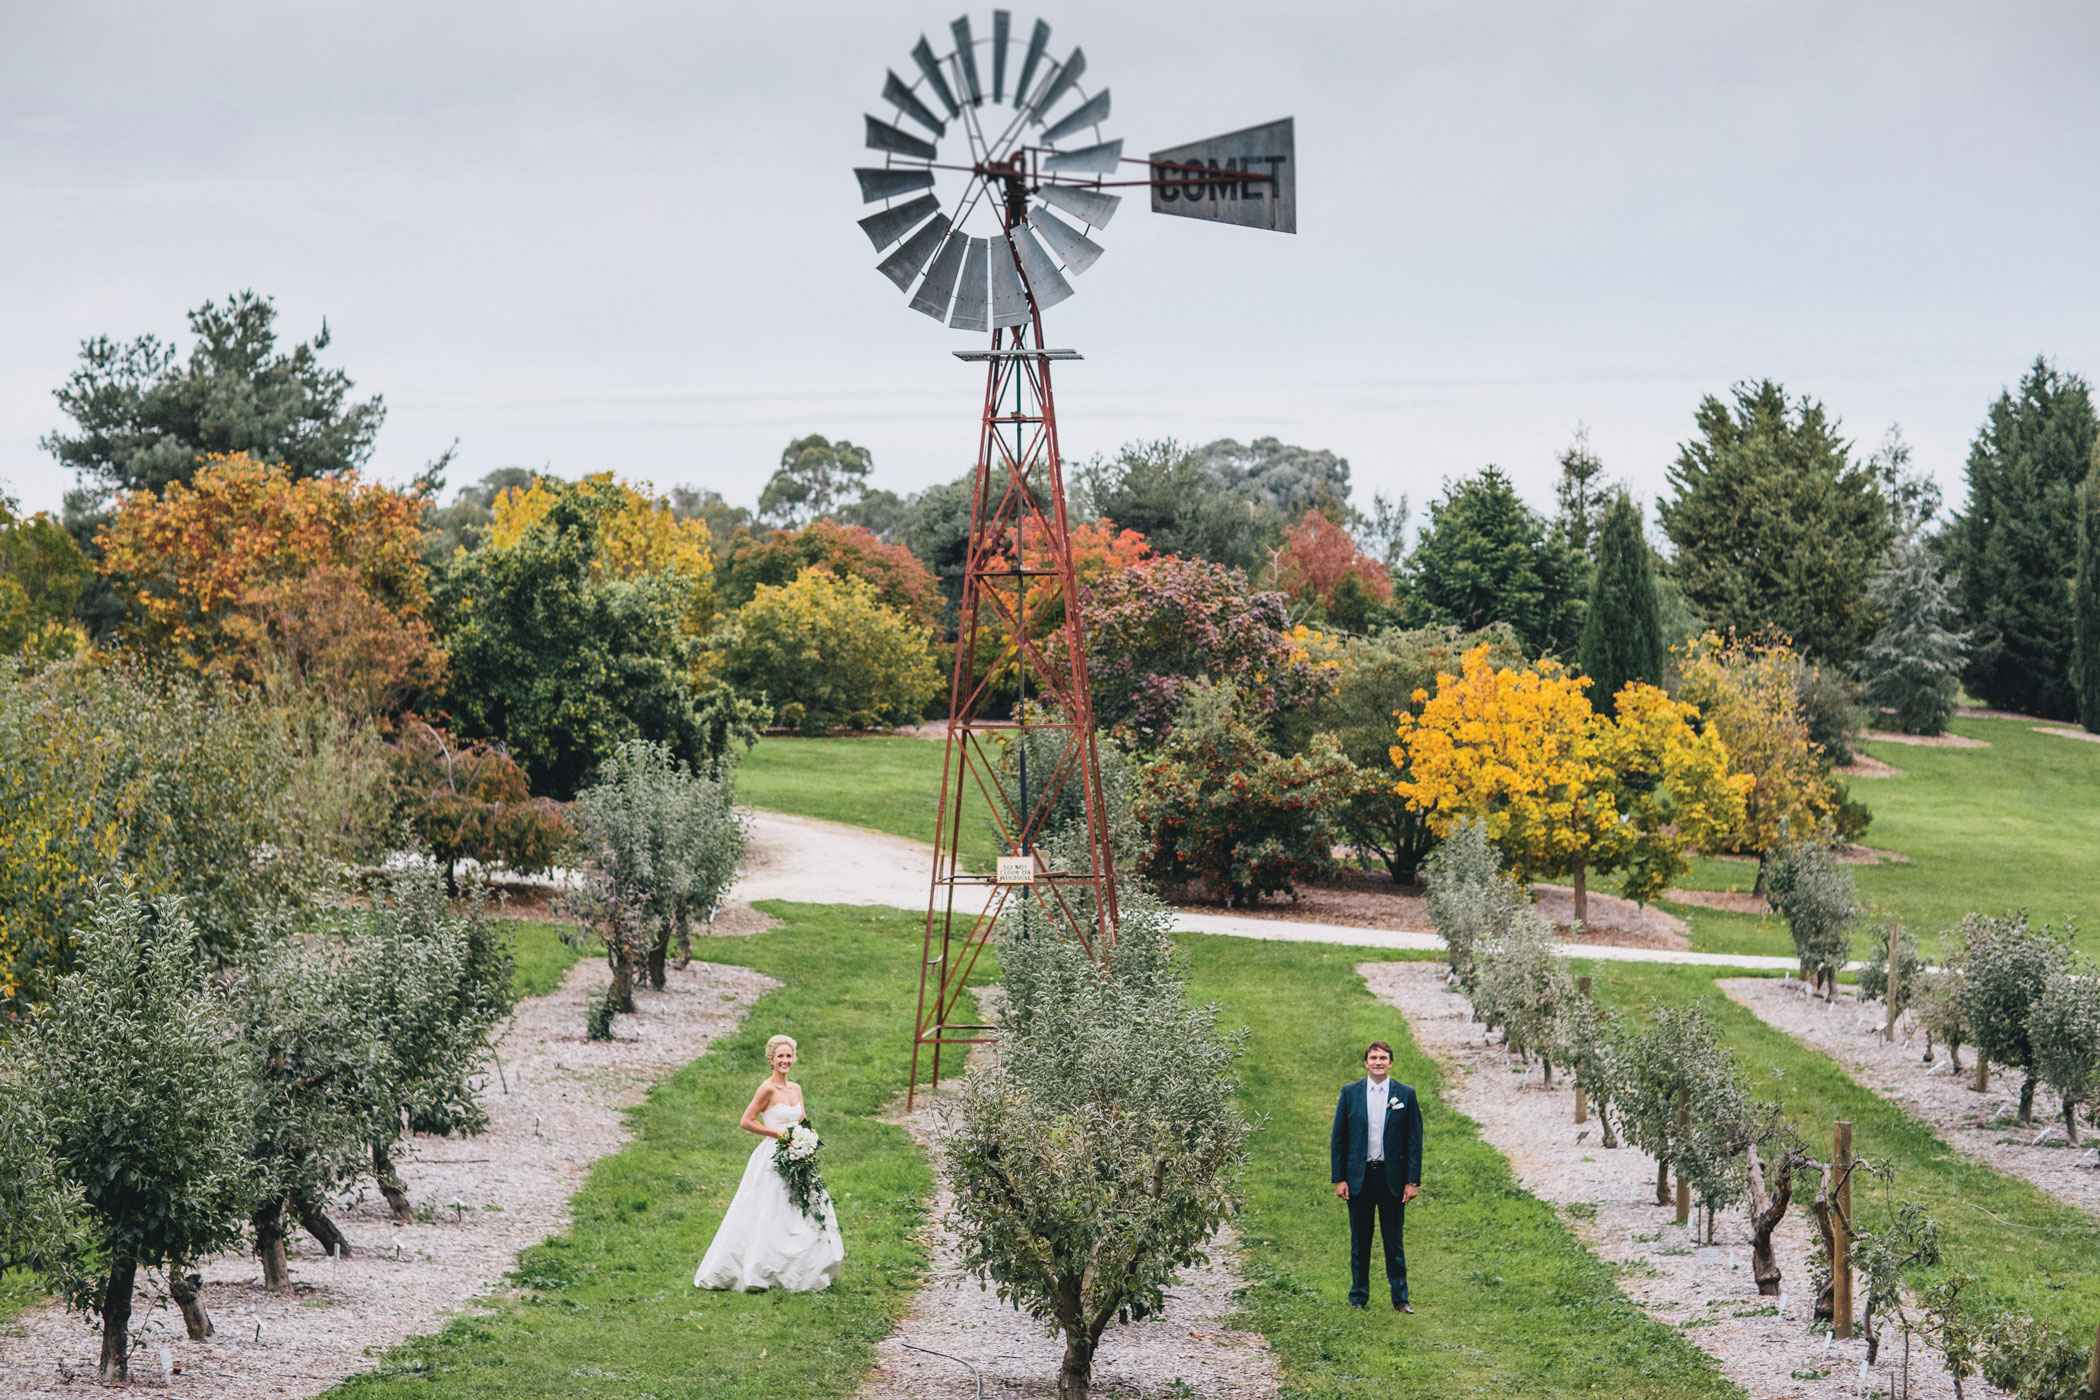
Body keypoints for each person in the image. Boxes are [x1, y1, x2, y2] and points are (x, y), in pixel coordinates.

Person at [694, 1033, 845, 1292]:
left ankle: (805, 1269)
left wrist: (808, 1138)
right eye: (780, 1057)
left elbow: (802, 1118)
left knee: (804, 1206)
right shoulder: (767, 1089)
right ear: (771, 1060)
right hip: (774, 1155)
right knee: (770, 1209)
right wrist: (779, 1134)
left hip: (799, 1152)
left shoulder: (796, 1088)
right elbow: (746, 1121)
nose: (785, 1060)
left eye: (789, 1056)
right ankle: (762, 1269)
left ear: (794, 1058)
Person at [1328, 1040, 1423, 1311]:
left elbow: (1414, 1140)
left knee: (1393, 1240)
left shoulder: (1405, 1094)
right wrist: (1340, 1178)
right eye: (1373, 1058)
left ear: (1390, 1062)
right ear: (1365, 1063)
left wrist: (1411, 1180)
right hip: (1360, 1177)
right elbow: (1339, 1138)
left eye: (1383, 1058)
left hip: (1391, 1178)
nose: (1378, 1062)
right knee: (1360, 1240)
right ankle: (1358, 1296)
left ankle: (1400, 1298)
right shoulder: (1350, 1093)